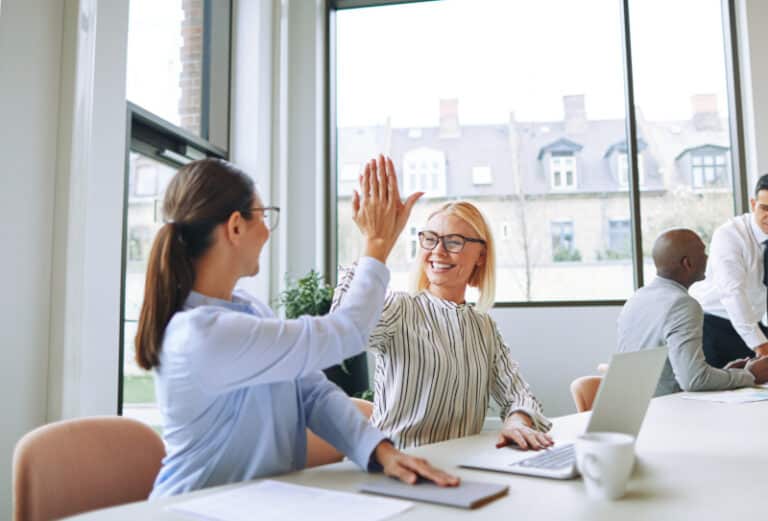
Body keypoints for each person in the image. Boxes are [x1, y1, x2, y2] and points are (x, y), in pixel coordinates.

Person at [135, 156, 458, 497]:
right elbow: (347, 331)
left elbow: (311, 393)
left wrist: (382, 452)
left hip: (260, 503)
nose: (266, 231)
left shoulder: (248, 310)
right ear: (235, 227)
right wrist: (377, 246)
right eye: (263, 216)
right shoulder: (201, 335)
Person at [332, 201, 553, 451]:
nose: (438, 251)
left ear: (481, 255)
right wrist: (373, 243)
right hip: (397, 466)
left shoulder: (484, 327)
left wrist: (517, 422)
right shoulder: (400, 308)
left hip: (459, 469)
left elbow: (519, 396)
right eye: (430, 239)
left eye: (454, 241)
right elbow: (340, 332)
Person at [617, 229, 768, 396]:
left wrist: (726, 373)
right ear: (687, 263)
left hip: (639, 405)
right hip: (666, 410)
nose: (707, 258)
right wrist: (750, 375)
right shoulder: (682, 304)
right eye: (703, 253)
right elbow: (693, 380)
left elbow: (680, 374)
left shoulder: (637, 298)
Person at [690, 174, 768, 368]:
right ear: (753, 204)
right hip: (712, 323)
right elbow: (732, 293)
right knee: (720, 394)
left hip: (752, 322)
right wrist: (760, 344)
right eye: (765, 208)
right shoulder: (730, 235)